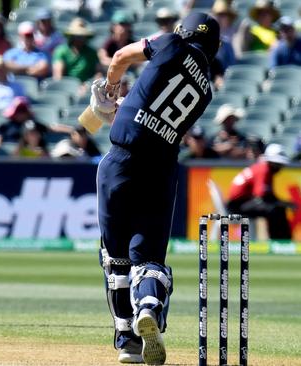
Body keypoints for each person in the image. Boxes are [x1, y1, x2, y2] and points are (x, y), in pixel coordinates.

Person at [92, 13, 220, 364]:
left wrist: (110, 90)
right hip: (161, 169)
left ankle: (127, 342)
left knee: (115, 259)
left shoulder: (171, 44)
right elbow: (157, 117)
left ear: (183, 32)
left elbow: (120, 58)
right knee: (146, 258)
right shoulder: (206, 89)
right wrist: (121, 109)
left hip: (122, 160)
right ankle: (148, 304)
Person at [227, 143, 294, 239]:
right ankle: (278, 242)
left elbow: (269, 195)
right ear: (271, 162)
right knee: (274, 210)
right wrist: (282, 204)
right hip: (237, 206)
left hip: (245, 202)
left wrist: (284, 203)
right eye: (278, 164)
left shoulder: (265, 170)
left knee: (278, 208)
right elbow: (261, 196)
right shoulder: (264, 169)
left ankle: (284, 241)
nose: (280, 167)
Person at [52, 17, 100, 85]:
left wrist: (90, 85)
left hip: (87, 86)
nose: (80, 39)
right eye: (77, 36)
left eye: (82, 36)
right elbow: (58, 75)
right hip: (67, 86)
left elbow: (98, 72)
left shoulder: (92, 52)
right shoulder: (61, 51)